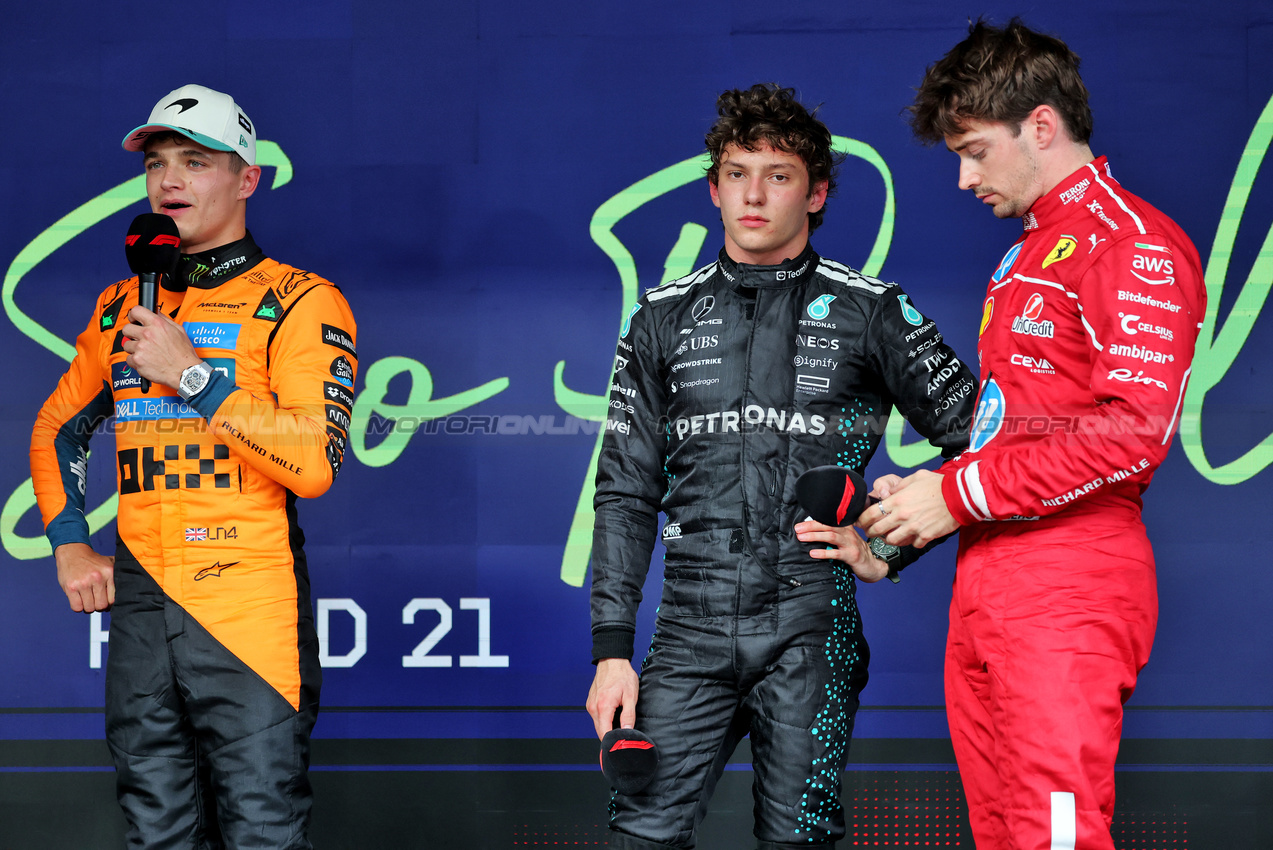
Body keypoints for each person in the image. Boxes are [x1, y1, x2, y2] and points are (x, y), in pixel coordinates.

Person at [585, 83, 976, 850]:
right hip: (687, 627)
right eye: (736, 174)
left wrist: (887, 545)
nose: (753, 195)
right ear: (713, 189)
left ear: (816, 192)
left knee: (799, 839)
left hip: (811, 626)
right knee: (640, 834)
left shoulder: (873, 310)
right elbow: (624, 490)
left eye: (778, 175)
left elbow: (980, 440)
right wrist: (610, 655)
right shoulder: (660, 318)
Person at [858, 20, 1206, 850]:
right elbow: (1012, 437)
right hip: (992, 574)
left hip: (1069, 577)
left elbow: (1131, 433)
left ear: (1040, 125)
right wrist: (920, 508)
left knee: (1054, 835)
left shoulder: (1131, 243)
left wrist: (955, 494)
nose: (963, 177)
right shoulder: (1026, 253)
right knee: (1005, 833)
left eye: (975, 151)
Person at [30, 84, 357, 849]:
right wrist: (70, 543)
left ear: (247, 179)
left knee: (263, 831)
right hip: (143, 608)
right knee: (155, 829)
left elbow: (312, 464)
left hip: (248, 608)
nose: (169, 180)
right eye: (157, 163)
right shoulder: (120, 307)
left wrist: (193, 377)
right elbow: (56, 428)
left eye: (195, 161)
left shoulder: (302, 300)